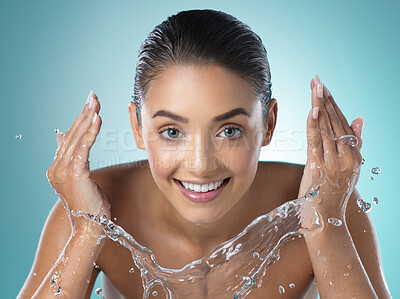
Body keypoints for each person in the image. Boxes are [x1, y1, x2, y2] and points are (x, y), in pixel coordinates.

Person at [18, 9, 391, 298]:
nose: (200, 164)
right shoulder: (91, 209)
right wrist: (87, 230)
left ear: (270, 123)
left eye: (229, 131)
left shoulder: (327, 203)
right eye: (172, 131)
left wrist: (324, 222)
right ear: (136, 127)